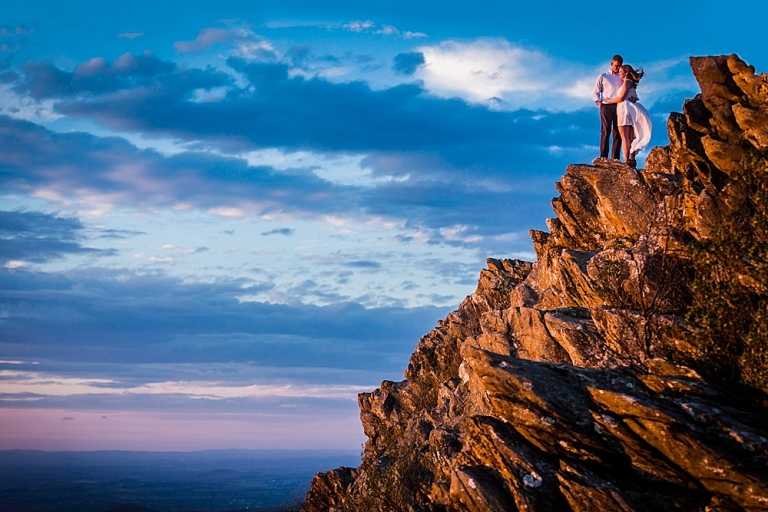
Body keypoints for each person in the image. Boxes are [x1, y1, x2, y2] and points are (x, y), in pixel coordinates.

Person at [602, 64, 652, 167]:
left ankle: (626, 159)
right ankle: (631, 158)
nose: (619, 74)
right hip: (628, 108)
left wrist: (609, 100)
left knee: (625, 137)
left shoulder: (627, 82)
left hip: (624, 109)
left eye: (621, 72)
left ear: (626, 73)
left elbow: (621, 98)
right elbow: (634, 97)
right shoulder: (631, 83)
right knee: (630, 136)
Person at [593, 55, 625, 160]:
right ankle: (603, 157)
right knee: (606, 131)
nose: (617, 68)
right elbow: (596, 91)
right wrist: (599, 102)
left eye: (619, 66)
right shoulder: (603, 76)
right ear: (612, 63)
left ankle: (615, 158)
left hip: (619, 106)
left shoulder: (622, 77)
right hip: (606, 106)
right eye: (616, 66)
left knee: (618, 131)